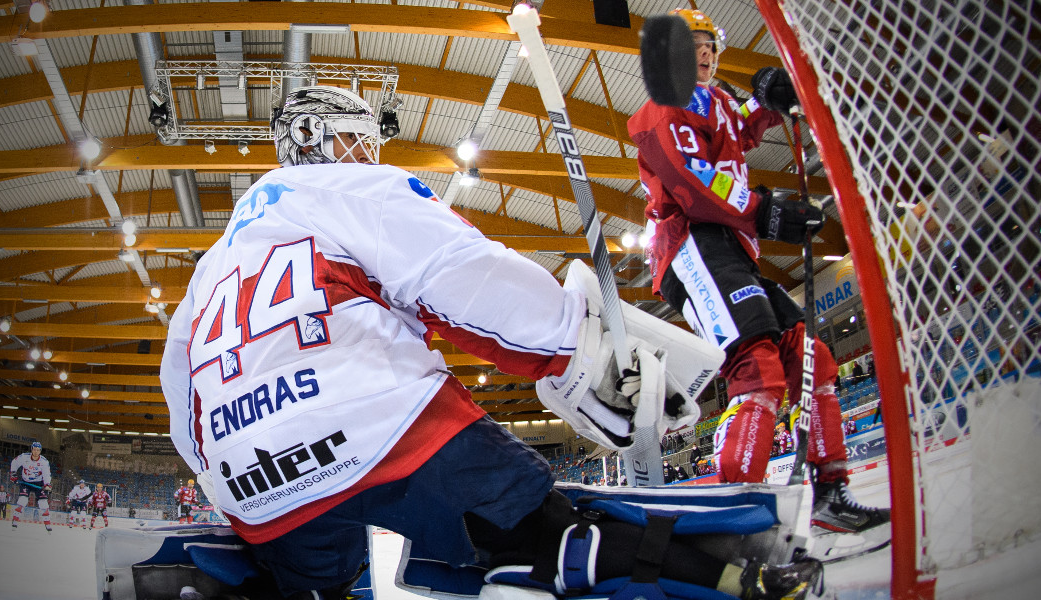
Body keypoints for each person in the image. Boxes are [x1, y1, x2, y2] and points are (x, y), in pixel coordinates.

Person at [159, 85, 824, 600]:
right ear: (322, 141)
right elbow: (463, 280)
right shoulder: (354, 190)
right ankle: (739, 578)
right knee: (543, 536)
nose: (368, 153)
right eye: (357, 140)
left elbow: (180, 400)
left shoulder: (208, 270)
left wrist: (232, 482)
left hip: (253, 479)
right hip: (383, 431)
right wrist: (576, 351)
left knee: (312, 579)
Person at [627, 8, 889, 551]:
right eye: (692, 44)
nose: (705, 52)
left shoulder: (714, 101)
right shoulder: (662, 108)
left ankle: (831, 495)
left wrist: (768, 96)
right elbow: (691, 179)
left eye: (710, 44)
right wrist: (765, 210)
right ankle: (734, 513)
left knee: (809, 353)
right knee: (758, 366)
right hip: (692, 244)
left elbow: (739, 123)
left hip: (731, 249)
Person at [9, 441, 52, 532]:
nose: (36, 452)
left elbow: (47, 474)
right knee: (23, 500)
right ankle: (15, 520)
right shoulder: (24, 457)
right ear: (32, 449)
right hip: (26, 482)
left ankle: (47, 523)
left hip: (39, 483)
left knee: (43, 502)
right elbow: (14, 462)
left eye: (38, 450)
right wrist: (13, 474)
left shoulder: (44, 461)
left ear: (40, 451)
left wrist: (47, 484)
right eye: (34, 449)